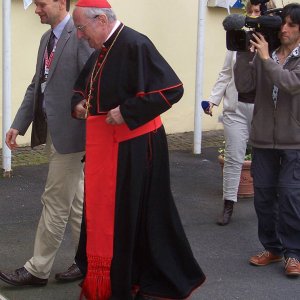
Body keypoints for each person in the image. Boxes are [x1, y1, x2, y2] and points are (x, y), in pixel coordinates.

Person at [71, 0, 206, 299]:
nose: (80, 35)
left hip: (136, 147)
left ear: (102, 20)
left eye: (81, 28)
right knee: (120, 215)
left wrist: (127, 111)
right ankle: (121, 274)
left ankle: (141, 276)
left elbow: (172, 89)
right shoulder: (103, 48)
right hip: (108, 148)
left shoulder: (135, 43)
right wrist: (80, 103)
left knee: (136, 214)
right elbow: (86, 86)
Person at [0, 0, 93, 287]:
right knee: (77, 201)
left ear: (58, 2)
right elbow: (37, 84)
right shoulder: (47, 38)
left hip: (74, 134)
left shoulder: (80, 36)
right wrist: (18, 123)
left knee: (54, 200)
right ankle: (87, 260)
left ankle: (37, 269)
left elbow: (91, 83)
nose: (36, 9)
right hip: (55, 130)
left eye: (40, 4)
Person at [234, 3, 300, 277]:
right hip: (262, 139)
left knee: (289, 197)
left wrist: (264, 59)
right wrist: (241, 53)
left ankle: (293, 253)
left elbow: (289, 84)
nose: (284, 29)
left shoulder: (278, 58)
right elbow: (245, 86)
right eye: (282, 23)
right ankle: (272, 249)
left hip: (294, 141)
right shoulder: (266, 53)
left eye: (292, 25)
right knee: (263, 199)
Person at [204, 0, 276, 226]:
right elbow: (226, 73)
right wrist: (213, 99)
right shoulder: (237, 41)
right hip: (235, 109)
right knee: (234, 158)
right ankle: (228, 205)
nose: (253, 17)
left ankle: (270, 207)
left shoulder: (274, 44)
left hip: (263, 111)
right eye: (250, 12)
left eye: (258, 12)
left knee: (265, 159)